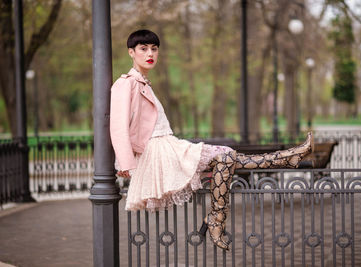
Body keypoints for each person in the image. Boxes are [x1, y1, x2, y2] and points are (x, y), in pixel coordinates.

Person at [110, 29, 313, 251]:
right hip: (157, 151)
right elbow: (118, 126)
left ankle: (218, 217)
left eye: (154, 49)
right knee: (225, 156)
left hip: (167, 146)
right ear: (131, 52)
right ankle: (220, 216)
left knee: (226, 158)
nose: (150, 53)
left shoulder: (144, 83)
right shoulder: (125, 84)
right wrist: (126, 163)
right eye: (143, 49)